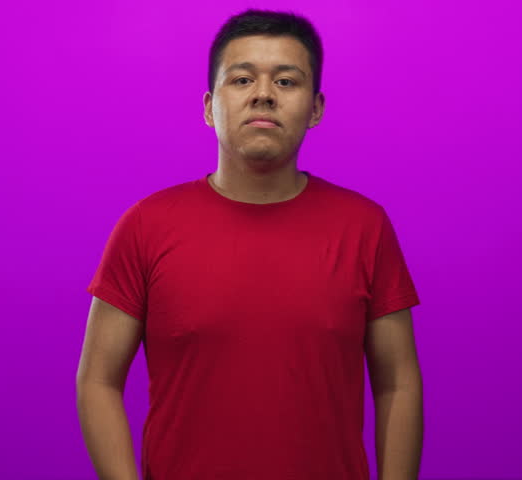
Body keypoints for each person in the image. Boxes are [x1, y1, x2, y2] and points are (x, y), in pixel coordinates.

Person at [76, 8, 423, 480]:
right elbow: (98, 380)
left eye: (286, 81)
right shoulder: (144, 226)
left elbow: (397, 383)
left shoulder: (365, 226)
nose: (263, 94)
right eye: (241, 80)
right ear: (208, 106)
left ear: (316, 108)